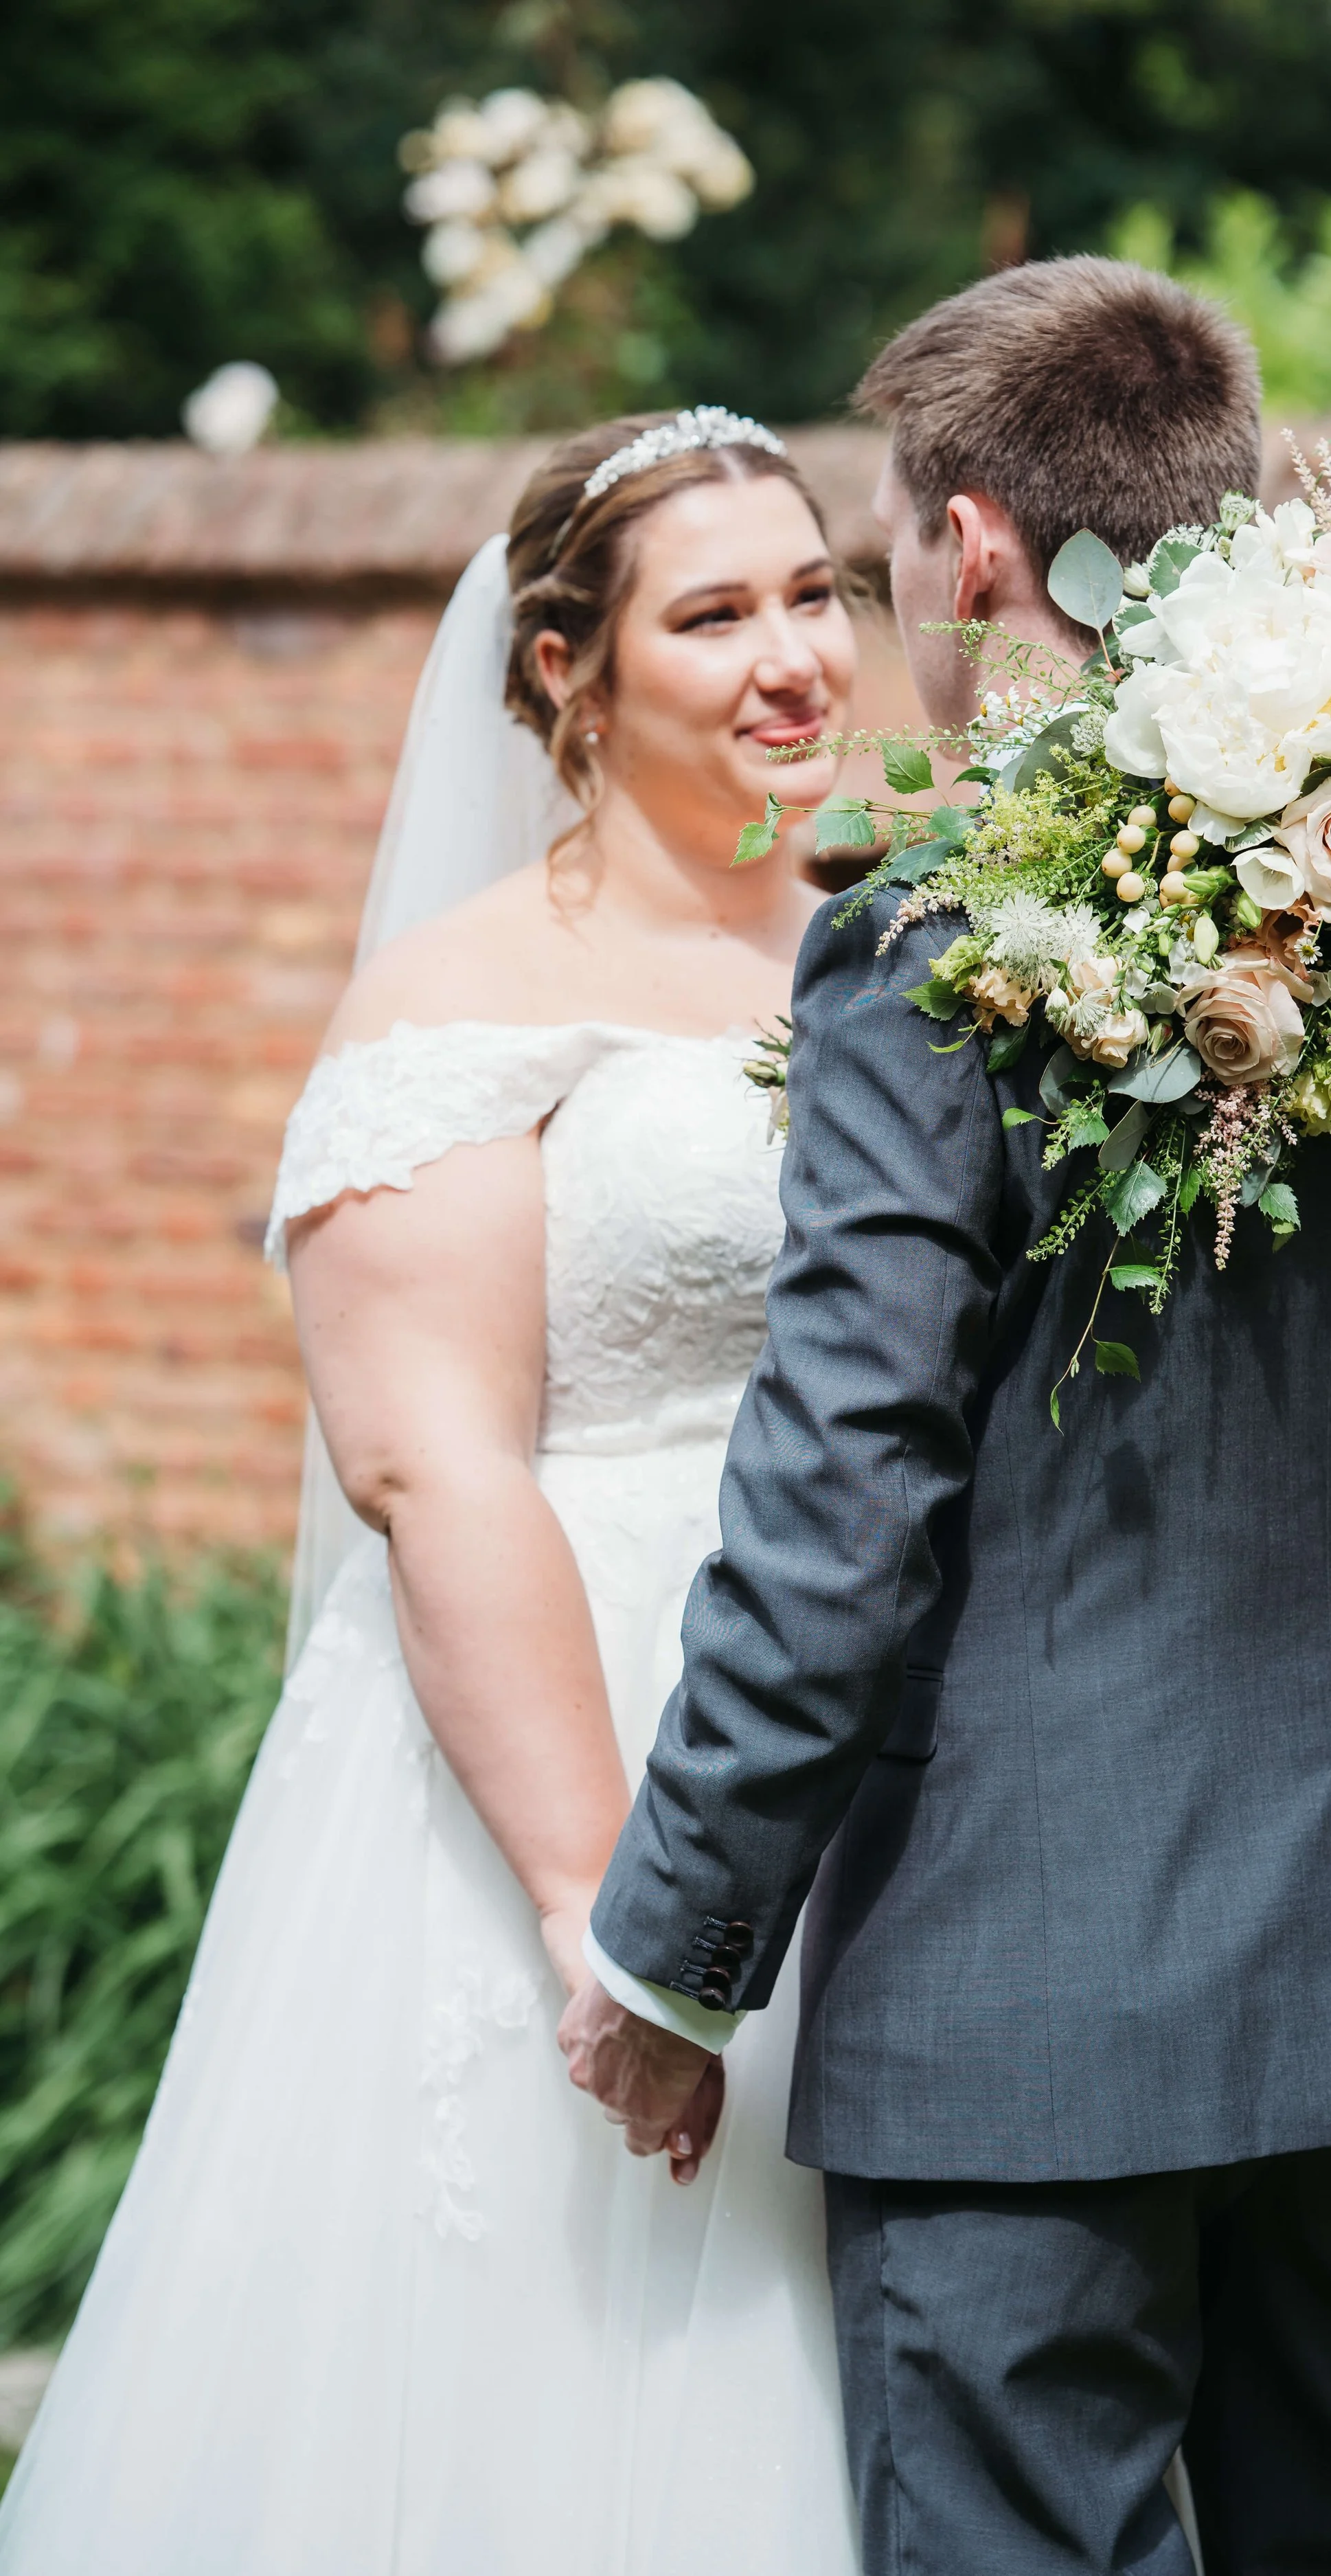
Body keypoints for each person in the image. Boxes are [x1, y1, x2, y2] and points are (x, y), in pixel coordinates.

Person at [565, 259, 1331, 2575]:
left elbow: (838, 1502)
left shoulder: (933, 934)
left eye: (888, 549)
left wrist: (670, 1953)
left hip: (1025, 1992)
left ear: (978, 544)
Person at [0, 409, 864, 2574]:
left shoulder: (880, 944)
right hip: (577, 1745)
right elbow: (430, 1460)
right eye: (714, 612)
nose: (794, 657)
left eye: (814, 590)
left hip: (853, 1746)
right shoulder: (466, 1000)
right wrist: (616, 1921)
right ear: (569, 668)